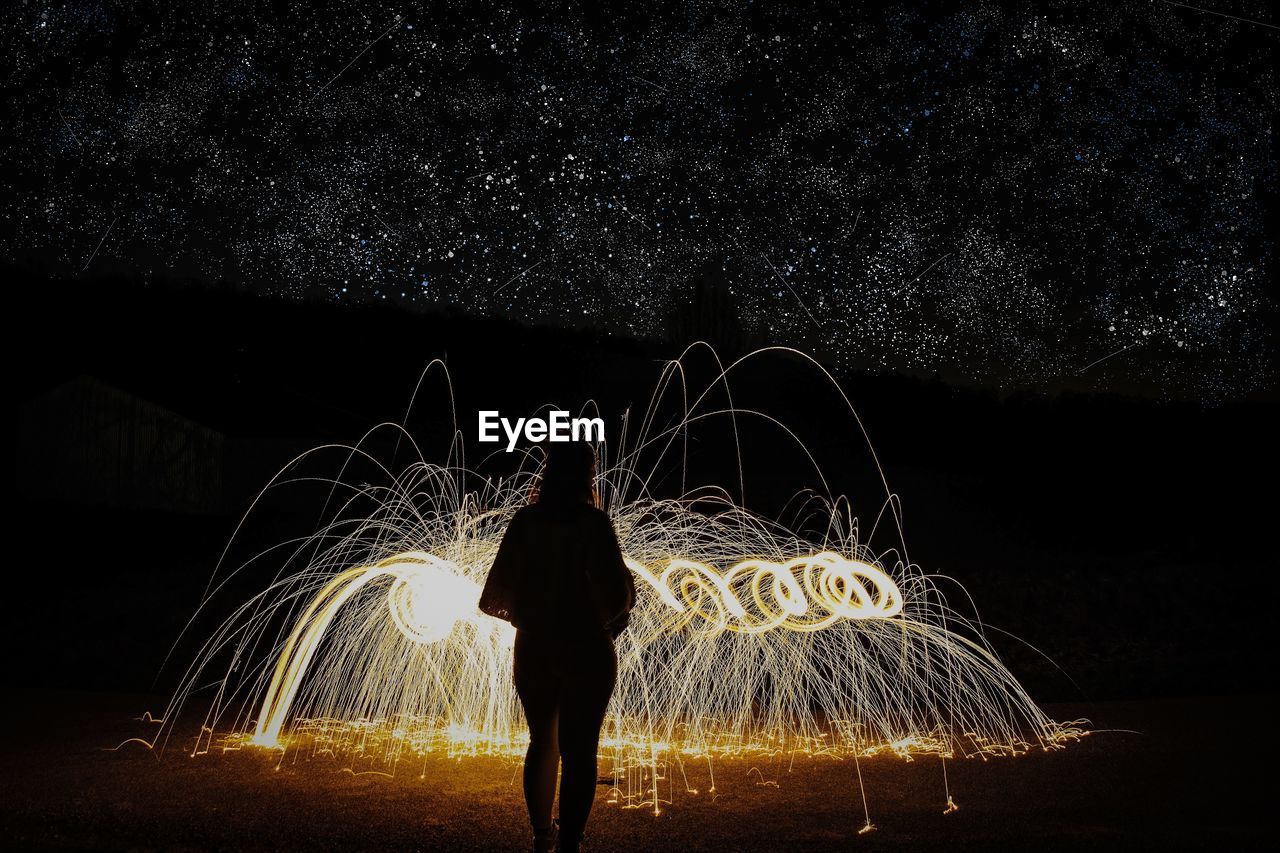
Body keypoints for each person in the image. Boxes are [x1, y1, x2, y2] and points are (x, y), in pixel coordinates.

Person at [479, 441, 636, 853]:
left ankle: (541, 836)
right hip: (586, 646)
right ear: (587, 475)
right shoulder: (593, 524)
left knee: (541, 741)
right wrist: (600, 619)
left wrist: (534, 616)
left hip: (533, 646)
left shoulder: (525, 522)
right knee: (580, 750)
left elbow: (495, 593)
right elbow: (617, 592)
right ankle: (570, 843)